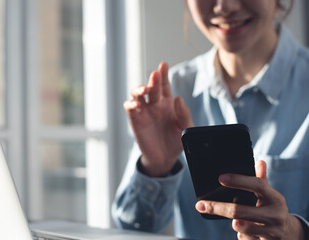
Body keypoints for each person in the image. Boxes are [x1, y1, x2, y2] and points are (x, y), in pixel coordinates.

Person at [112, 0, 309, 239]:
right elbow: (131, 229)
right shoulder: (173, 90)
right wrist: (156, 166)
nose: (226, 7)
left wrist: (296, 233)